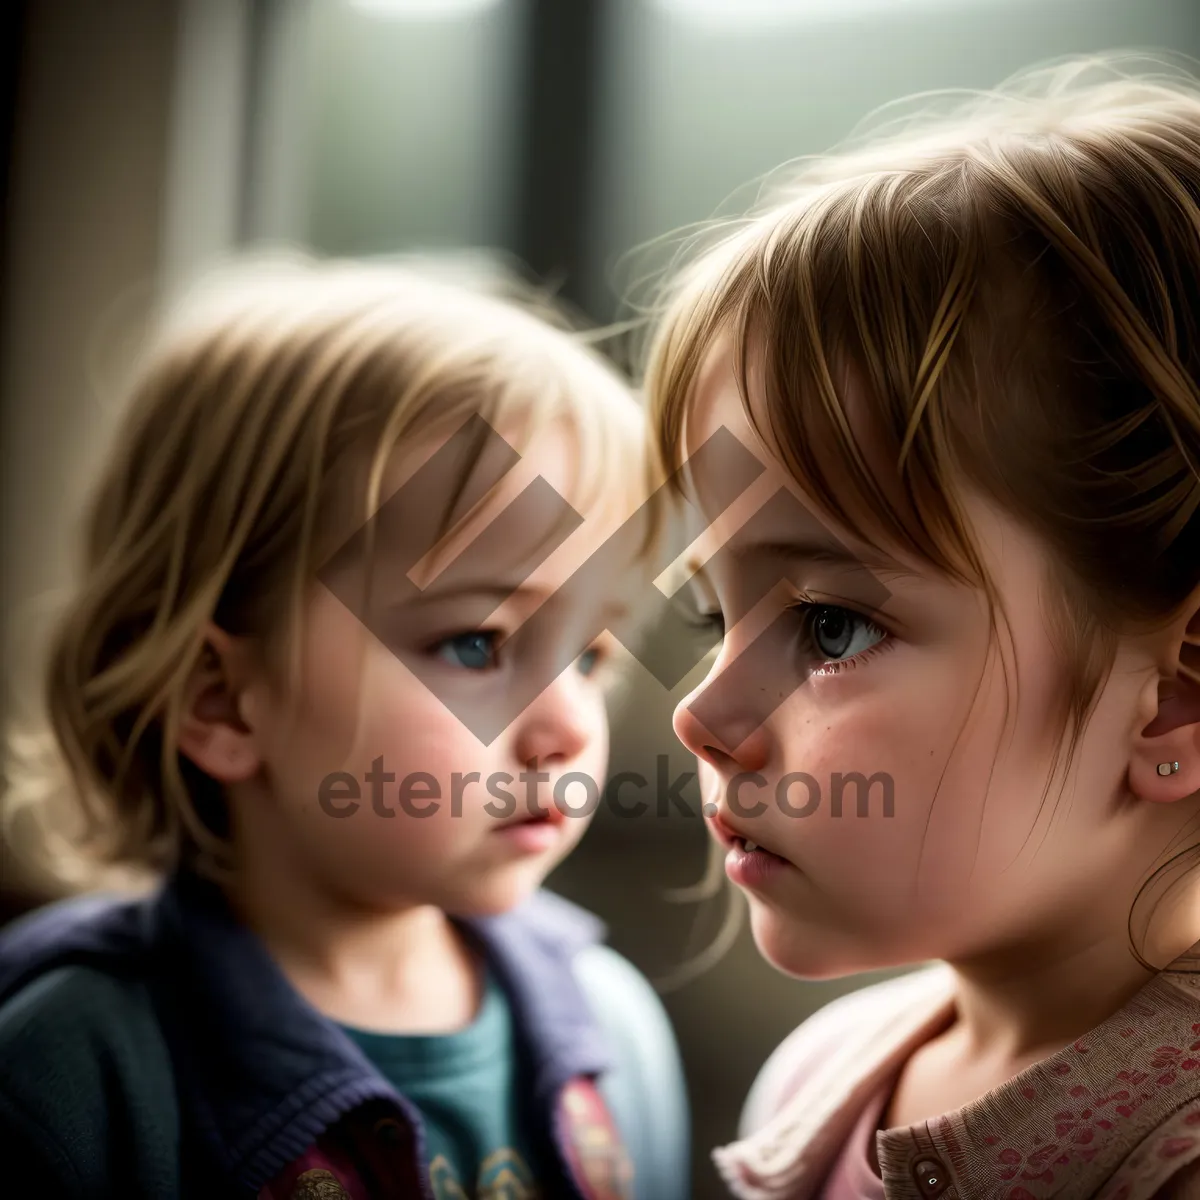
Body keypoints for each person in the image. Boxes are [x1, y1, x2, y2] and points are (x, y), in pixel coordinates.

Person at [0, 255, 688, 1200]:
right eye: (479, 646)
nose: (569, 726)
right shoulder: (68, 1070)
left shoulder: (613, 1037)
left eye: (592, 656)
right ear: (221, 700)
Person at [644, 54, 1200, 1199]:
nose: (699, 714)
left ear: (1177, 696)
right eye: (714, 612)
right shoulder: (824, 1078)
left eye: (831, 629)